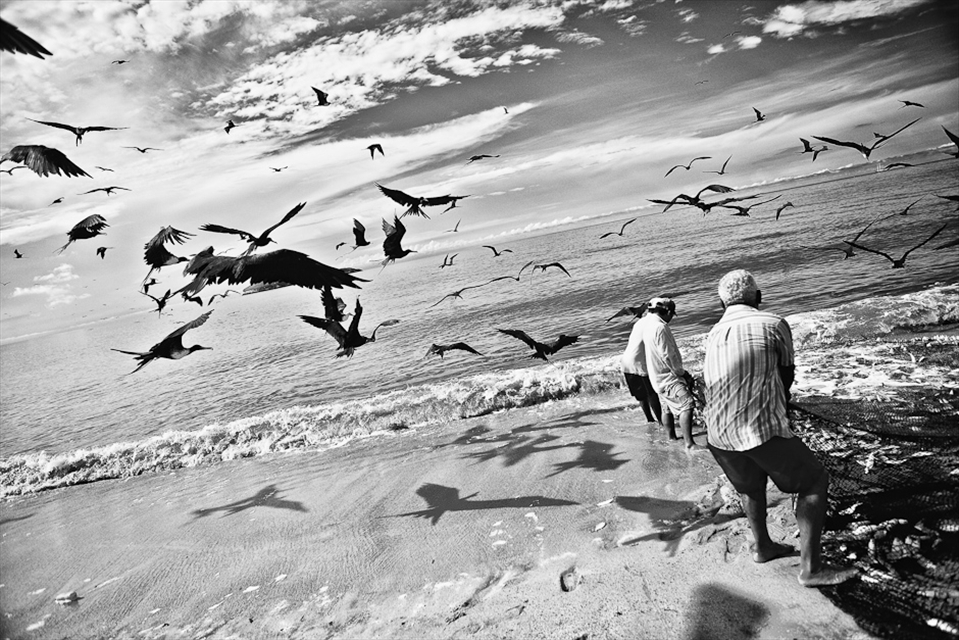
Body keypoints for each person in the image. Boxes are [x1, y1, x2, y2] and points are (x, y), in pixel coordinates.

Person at [703, 269, 857, 587]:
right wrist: (779, 405)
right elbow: (786, 375)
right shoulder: (773, 323)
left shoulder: (713, 333)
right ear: (757, 297)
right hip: (754, 428)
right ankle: (812, 570)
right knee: (814, 480)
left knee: (750, 488)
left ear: (721, 303)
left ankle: (763, 547)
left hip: (717, 432)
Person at [642, 297, 702, 449]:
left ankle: (671, 438)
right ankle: (689, 443)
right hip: (668, 377)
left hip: (656, 378)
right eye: (671, 314)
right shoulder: (660, 328)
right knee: (687, 405)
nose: (671, 319)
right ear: (667, 311)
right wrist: (681, 373)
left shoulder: (648, 325)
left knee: (666, 408)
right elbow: (668, 355)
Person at [620, 307, 666, 431]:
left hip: (626, 361)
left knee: (641, 395)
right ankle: (662, 422)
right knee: (652, 393)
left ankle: (650, 420)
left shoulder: (638, 323)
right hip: (639, 363)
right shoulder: (653, 324)